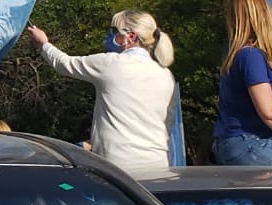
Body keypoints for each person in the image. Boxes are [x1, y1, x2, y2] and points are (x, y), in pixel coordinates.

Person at [27, 9, 176, 174]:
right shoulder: (165, 75)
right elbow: (167, 124)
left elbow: (65, 64)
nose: (109, 35)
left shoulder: (112, 63)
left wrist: (44, 44)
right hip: (158, 164)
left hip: (119, 164)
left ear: (131, 37)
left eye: (114, 31)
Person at [212, 0, 272, 165]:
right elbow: (270, 113)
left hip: (238, 143)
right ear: (266, 16)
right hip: (249, 144)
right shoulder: (251, 56)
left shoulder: (240, 54)